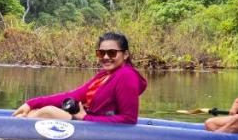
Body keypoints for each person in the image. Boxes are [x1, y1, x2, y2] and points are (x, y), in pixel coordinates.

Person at [11, 32, 147, 124]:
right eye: (101, 53)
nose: (106, 57)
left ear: (125, 54)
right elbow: (74, 95)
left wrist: (85, 117)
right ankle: (20, 120)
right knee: (38, 110)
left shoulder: (127, 75)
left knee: (48, 112)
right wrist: (32, 103)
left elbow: (129, 119)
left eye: (112, 53)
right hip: (88, 121)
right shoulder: (104, 75)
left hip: (96, 127)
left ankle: (14, 126)